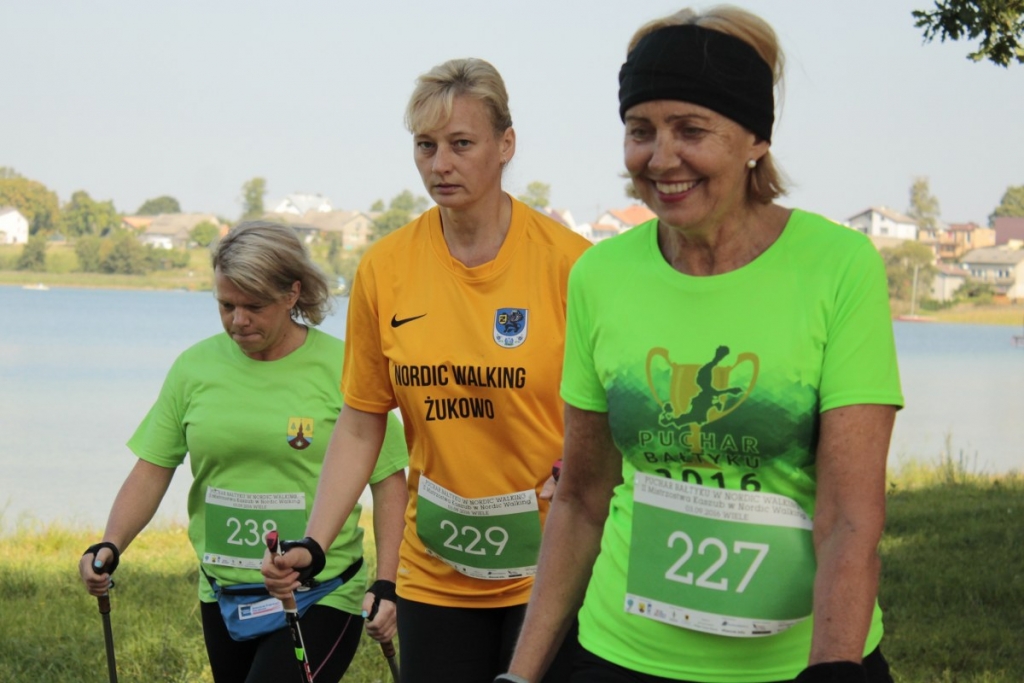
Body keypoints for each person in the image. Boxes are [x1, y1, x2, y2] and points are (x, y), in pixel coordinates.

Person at [501, 7, 903, 683]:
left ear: (755, 139)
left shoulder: (838, 266)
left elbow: (849, 518)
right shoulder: (600, 275)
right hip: (619, 654)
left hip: (794, 661)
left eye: (691, 129)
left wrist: (832, 668)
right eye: (640, 130)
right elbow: (581, 498)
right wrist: (520, 675)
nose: (661, 158)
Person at [262, 58, 592, 682]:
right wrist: (314, 544)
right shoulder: (386, 267)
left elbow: (607, 418)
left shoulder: (572, 265)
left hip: (551, 566)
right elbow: (361, 422)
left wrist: (574, 471)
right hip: (434, 570)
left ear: (505, 145)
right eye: (426, 146)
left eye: (462, 144)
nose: (441, 164)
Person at [78, 221, 409, 683]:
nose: (238, 320)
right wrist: (111, 544)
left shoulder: (343, 366)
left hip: (321, 592)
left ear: (292, 294)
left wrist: (388, 583)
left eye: (254, 306)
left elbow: (389, 481)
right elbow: (153, 468)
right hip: (225, 593)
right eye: (226, 305)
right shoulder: (194, 368)